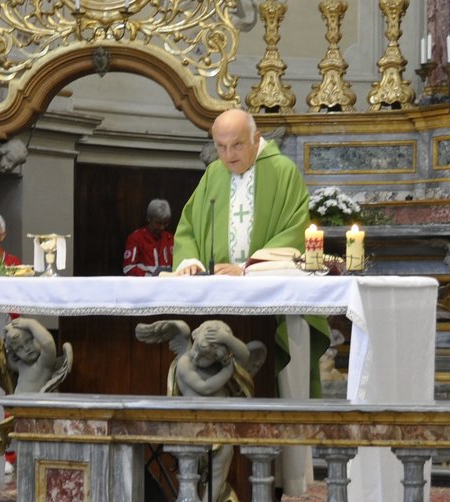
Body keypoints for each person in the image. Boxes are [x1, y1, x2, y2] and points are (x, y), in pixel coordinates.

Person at [171, 108, 328, 393]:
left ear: (257, 138)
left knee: (284, 380)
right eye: (221, 146)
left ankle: (288, 432)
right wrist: (191, 261)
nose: (229, 155)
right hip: (218, 295)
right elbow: (189, 226)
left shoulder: (282, 171)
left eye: (237, 145)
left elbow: (294, 230)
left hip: (273, 296)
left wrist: (246, 268)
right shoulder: (213, 175)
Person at [122, 199, 173, 276]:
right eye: (158, 223)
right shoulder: (136, 238)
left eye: (165, 223)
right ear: (149, 218)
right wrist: (150, 277)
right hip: (143, 285)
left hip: (168, 284)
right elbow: (128, 268)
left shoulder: (170, 239)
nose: (162, 227)